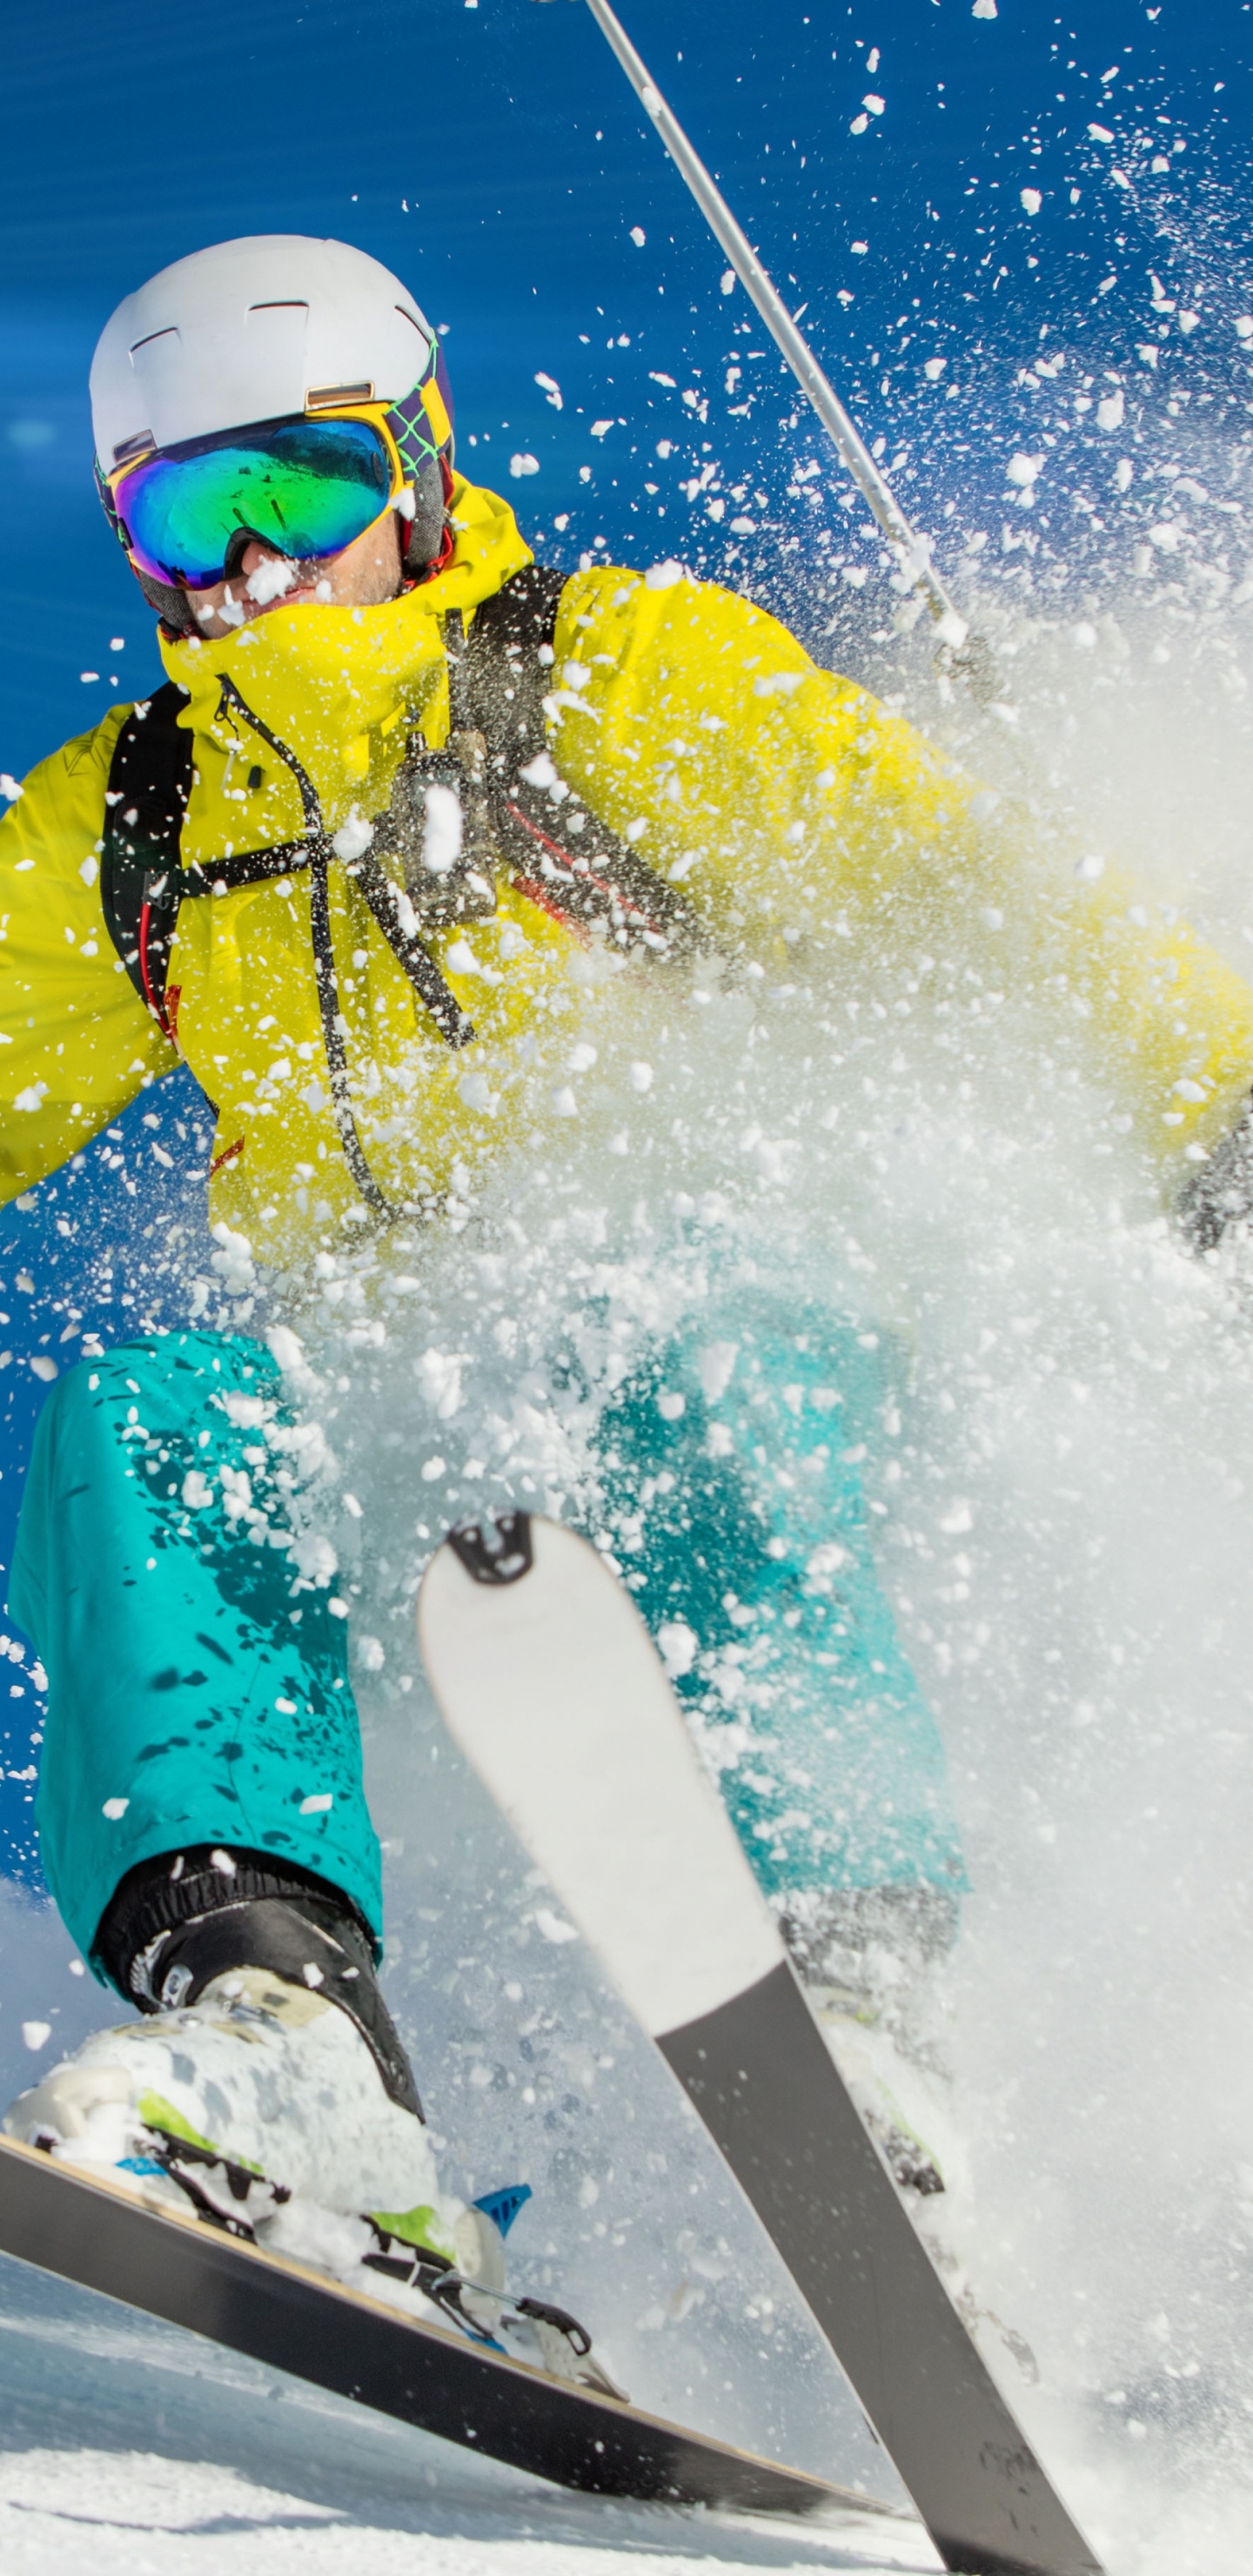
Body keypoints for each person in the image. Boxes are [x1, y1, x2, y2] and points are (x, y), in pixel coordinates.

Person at [3, 233, 1252, 2265]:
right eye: (180, 509)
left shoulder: (604, 677)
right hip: (412, 1431)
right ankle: (290, 2032)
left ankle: (862, 2011)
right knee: (146, 1424)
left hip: (758, 1360)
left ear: (411, 469)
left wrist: (1218, 1102)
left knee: (677, 1335)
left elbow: (960, 880)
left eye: (293, 492)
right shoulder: (139, 815)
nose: (242, 566)